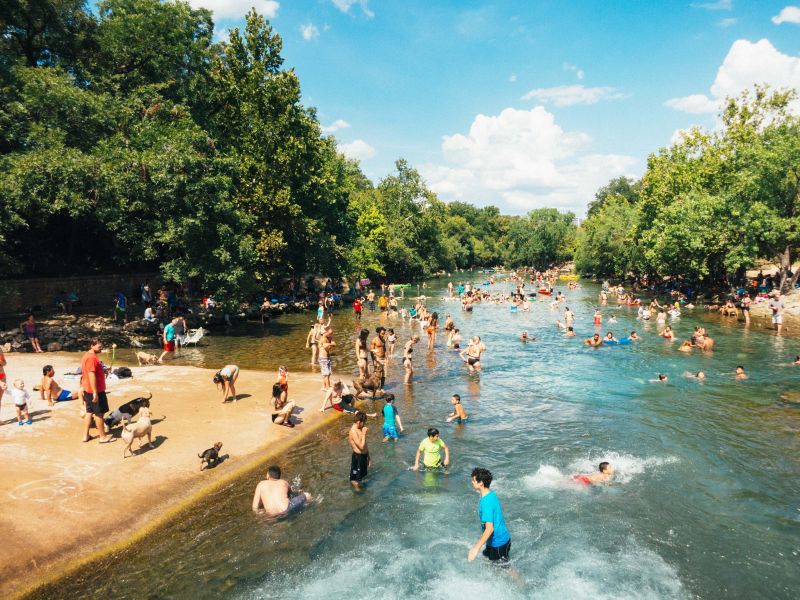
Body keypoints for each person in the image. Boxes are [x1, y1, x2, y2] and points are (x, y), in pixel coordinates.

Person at [468, 467, 511, 562]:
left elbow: (489, 528)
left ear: (481, 483)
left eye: (474, 480)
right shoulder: (491, 494)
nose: (472, 482)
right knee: (488, 560)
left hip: (498, 543)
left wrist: (476, 548)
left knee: (505, 570)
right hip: (498, 540)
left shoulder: (486, 503)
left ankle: (519, 578)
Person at [80, 338, 114, 443]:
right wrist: (95, 392)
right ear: (92, 345)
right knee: (99, 413)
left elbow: (91, 371)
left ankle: (86, 436)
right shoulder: (91, 358)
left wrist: (103, 370)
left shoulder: (88, 356)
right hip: (95, 390)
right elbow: (91, 374)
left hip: (88, 389)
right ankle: (103, 437)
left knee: (89, 412)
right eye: (99, 346)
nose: (101, 348)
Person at [349, 411, 371, 490]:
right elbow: (361, 447)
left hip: (363, 456)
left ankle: (359, 485)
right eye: (363, 423)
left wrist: (369, 457)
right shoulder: (353, 431)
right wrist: (364, 433)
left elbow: (365, 444)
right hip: (358, 457)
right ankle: (356, 488)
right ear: (359, 422)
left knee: (362, 475)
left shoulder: (360, 428)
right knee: (355, 478)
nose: (364, 425)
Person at [370, 327, 387, 392]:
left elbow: (384, 349)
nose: (383, 335)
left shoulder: (383, 340)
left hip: (383, 359)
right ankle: (375, 388)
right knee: (377, 375)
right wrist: (374, 360)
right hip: (377, 359)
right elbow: (371, 351)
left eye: (384, 334)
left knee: (384, 374)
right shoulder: (374, 340)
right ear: (378, 333)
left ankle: (381, 388)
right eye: (382, 333)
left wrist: (387, 358)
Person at [319, 325, 336, 390]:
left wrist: (330, 344)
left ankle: (323, 386)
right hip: (323, 358)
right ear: (325, 332)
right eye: (329, 334)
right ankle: (328, 387)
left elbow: (334, 344)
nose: (330, 335)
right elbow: (326, 347)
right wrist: (331, 344)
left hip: (327, 358)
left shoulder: (329, 338)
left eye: (331, 334)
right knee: (326, 374)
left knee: (328, 373)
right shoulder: (323, 338)